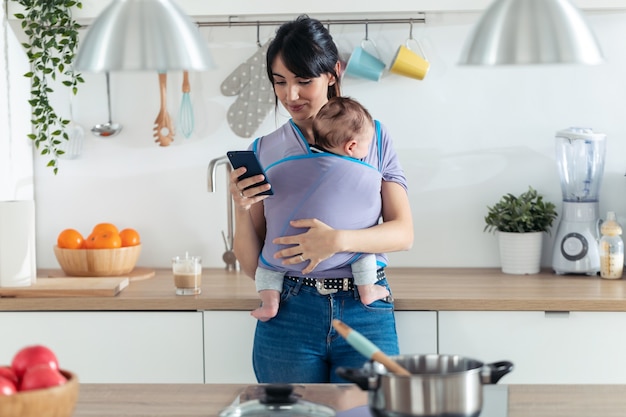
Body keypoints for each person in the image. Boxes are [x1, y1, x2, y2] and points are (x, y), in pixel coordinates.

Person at [229, 15, 414, 383]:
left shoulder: (372, 138)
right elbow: (254, 265)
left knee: (366, 412)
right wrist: (240, 206)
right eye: (279, 82)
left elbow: (403, 233)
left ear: (333, 73)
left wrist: (337, 241)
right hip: (288, 309)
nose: (290, 95)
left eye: (303, 80)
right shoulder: (263, 149)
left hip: (364, 305)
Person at [251, 96, 391, 322]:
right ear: (351, 146)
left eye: (304, 80)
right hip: (347, 270)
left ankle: (269, 303)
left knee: (267, 269)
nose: (292, 93)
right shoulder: (359, 171)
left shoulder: (291, 161)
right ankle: (368, 290)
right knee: (364, 252)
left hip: (281, 259)